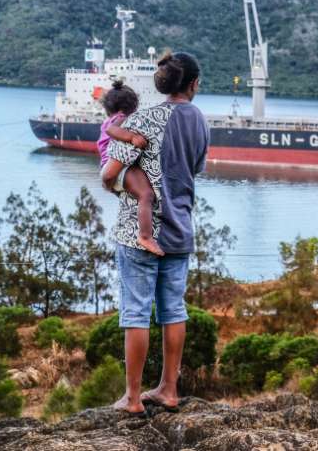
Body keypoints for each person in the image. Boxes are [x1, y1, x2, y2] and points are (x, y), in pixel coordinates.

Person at [101, 51, 209, 416]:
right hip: (180, 228)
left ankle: (132, 398)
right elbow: (195, 168)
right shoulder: (201, 121)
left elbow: (109, 172)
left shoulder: (143, 119)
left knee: (136, 312)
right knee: (174, 309)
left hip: (139, 232)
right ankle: (168, 389)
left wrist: (124, 187)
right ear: (193, 84)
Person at [99, 81, 164, 256]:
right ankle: (145, 236)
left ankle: (143, 231)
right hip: (116, 168)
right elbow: (112, 130)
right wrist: (132, 137)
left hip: (114, 168)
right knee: (146, 194)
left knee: (142, 196)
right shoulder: (121, 119)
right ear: (133, 105)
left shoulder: (112, 118)